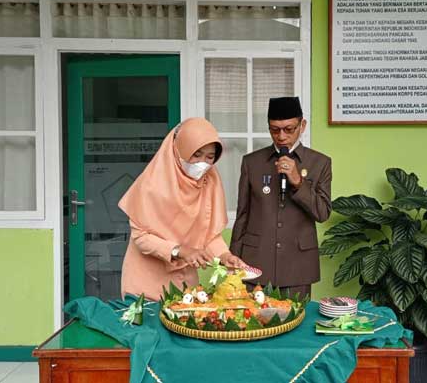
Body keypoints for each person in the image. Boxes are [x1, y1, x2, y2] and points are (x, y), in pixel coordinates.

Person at [118, 117, 246, 301]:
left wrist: (224, 256)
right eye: (196, 154)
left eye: (210, 157)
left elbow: (209, 234)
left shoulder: (209, 182)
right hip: (146, 283)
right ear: (179, 149)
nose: (202, 163)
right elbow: (141, 237)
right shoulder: (151, 184)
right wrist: (181, 250)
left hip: (185, 284)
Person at [230, 97, 332, 297]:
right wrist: (233, 258)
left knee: (296, 323)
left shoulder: (320, 163)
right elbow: (243, 214)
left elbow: (323, 212)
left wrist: (298, 182)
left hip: (298, 264)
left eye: (289, 129)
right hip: (255, 262)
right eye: (275, 130)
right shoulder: (251, 163)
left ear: (302, 126)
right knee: (253, 324)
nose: (281, 136)